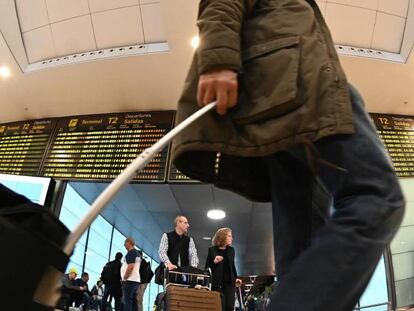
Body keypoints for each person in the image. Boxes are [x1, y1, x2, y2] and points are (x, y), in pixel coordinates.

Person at [171, 0, 406, 310]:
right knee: (377, 197)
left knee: (300, 246)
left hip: (281, 98)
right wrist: (218, 59)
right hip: (303, 88)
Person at [205, 228, 242, 311]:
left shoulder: (231, 250)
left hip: (229, 283)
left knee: (229, 307)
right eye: (229, 236)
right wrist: (214, 262)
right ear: (222, 237)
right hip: (216, 284)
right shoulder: (212, 250)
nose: (231, 238)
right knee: (219, 307)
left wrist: (236, 278)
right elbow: (207, 269)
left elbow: (232, 266)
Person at [121, 237, 141, 311]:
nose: (124, 245)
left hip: (130, 280)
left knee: (127, 301)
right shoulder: (137, 253)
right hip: (135, 280)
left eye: (125, 243)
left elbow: (130, 267)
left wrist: (125, 277)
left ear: (129, 242)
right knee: (133, 301)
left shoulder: (132, 252)